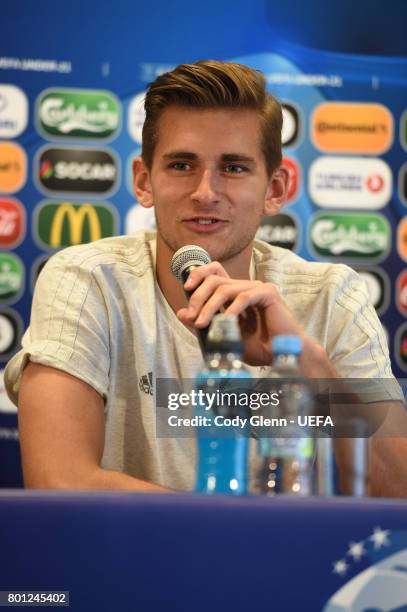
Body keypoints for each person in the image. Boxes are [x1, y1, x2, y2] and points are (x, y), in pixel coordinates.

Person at [5, 60, 406, 496]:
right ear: (143, 181)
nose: (205, 192)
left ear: (275, 189)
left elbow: (397, 493)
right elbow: (59, 481)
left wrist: (305, 365)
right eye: (181, 165)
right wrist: (234, 533)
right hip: (131, 564)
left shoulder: (334, 296)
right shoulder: (86, 281)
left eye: (233, 168)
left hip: (291, 564)